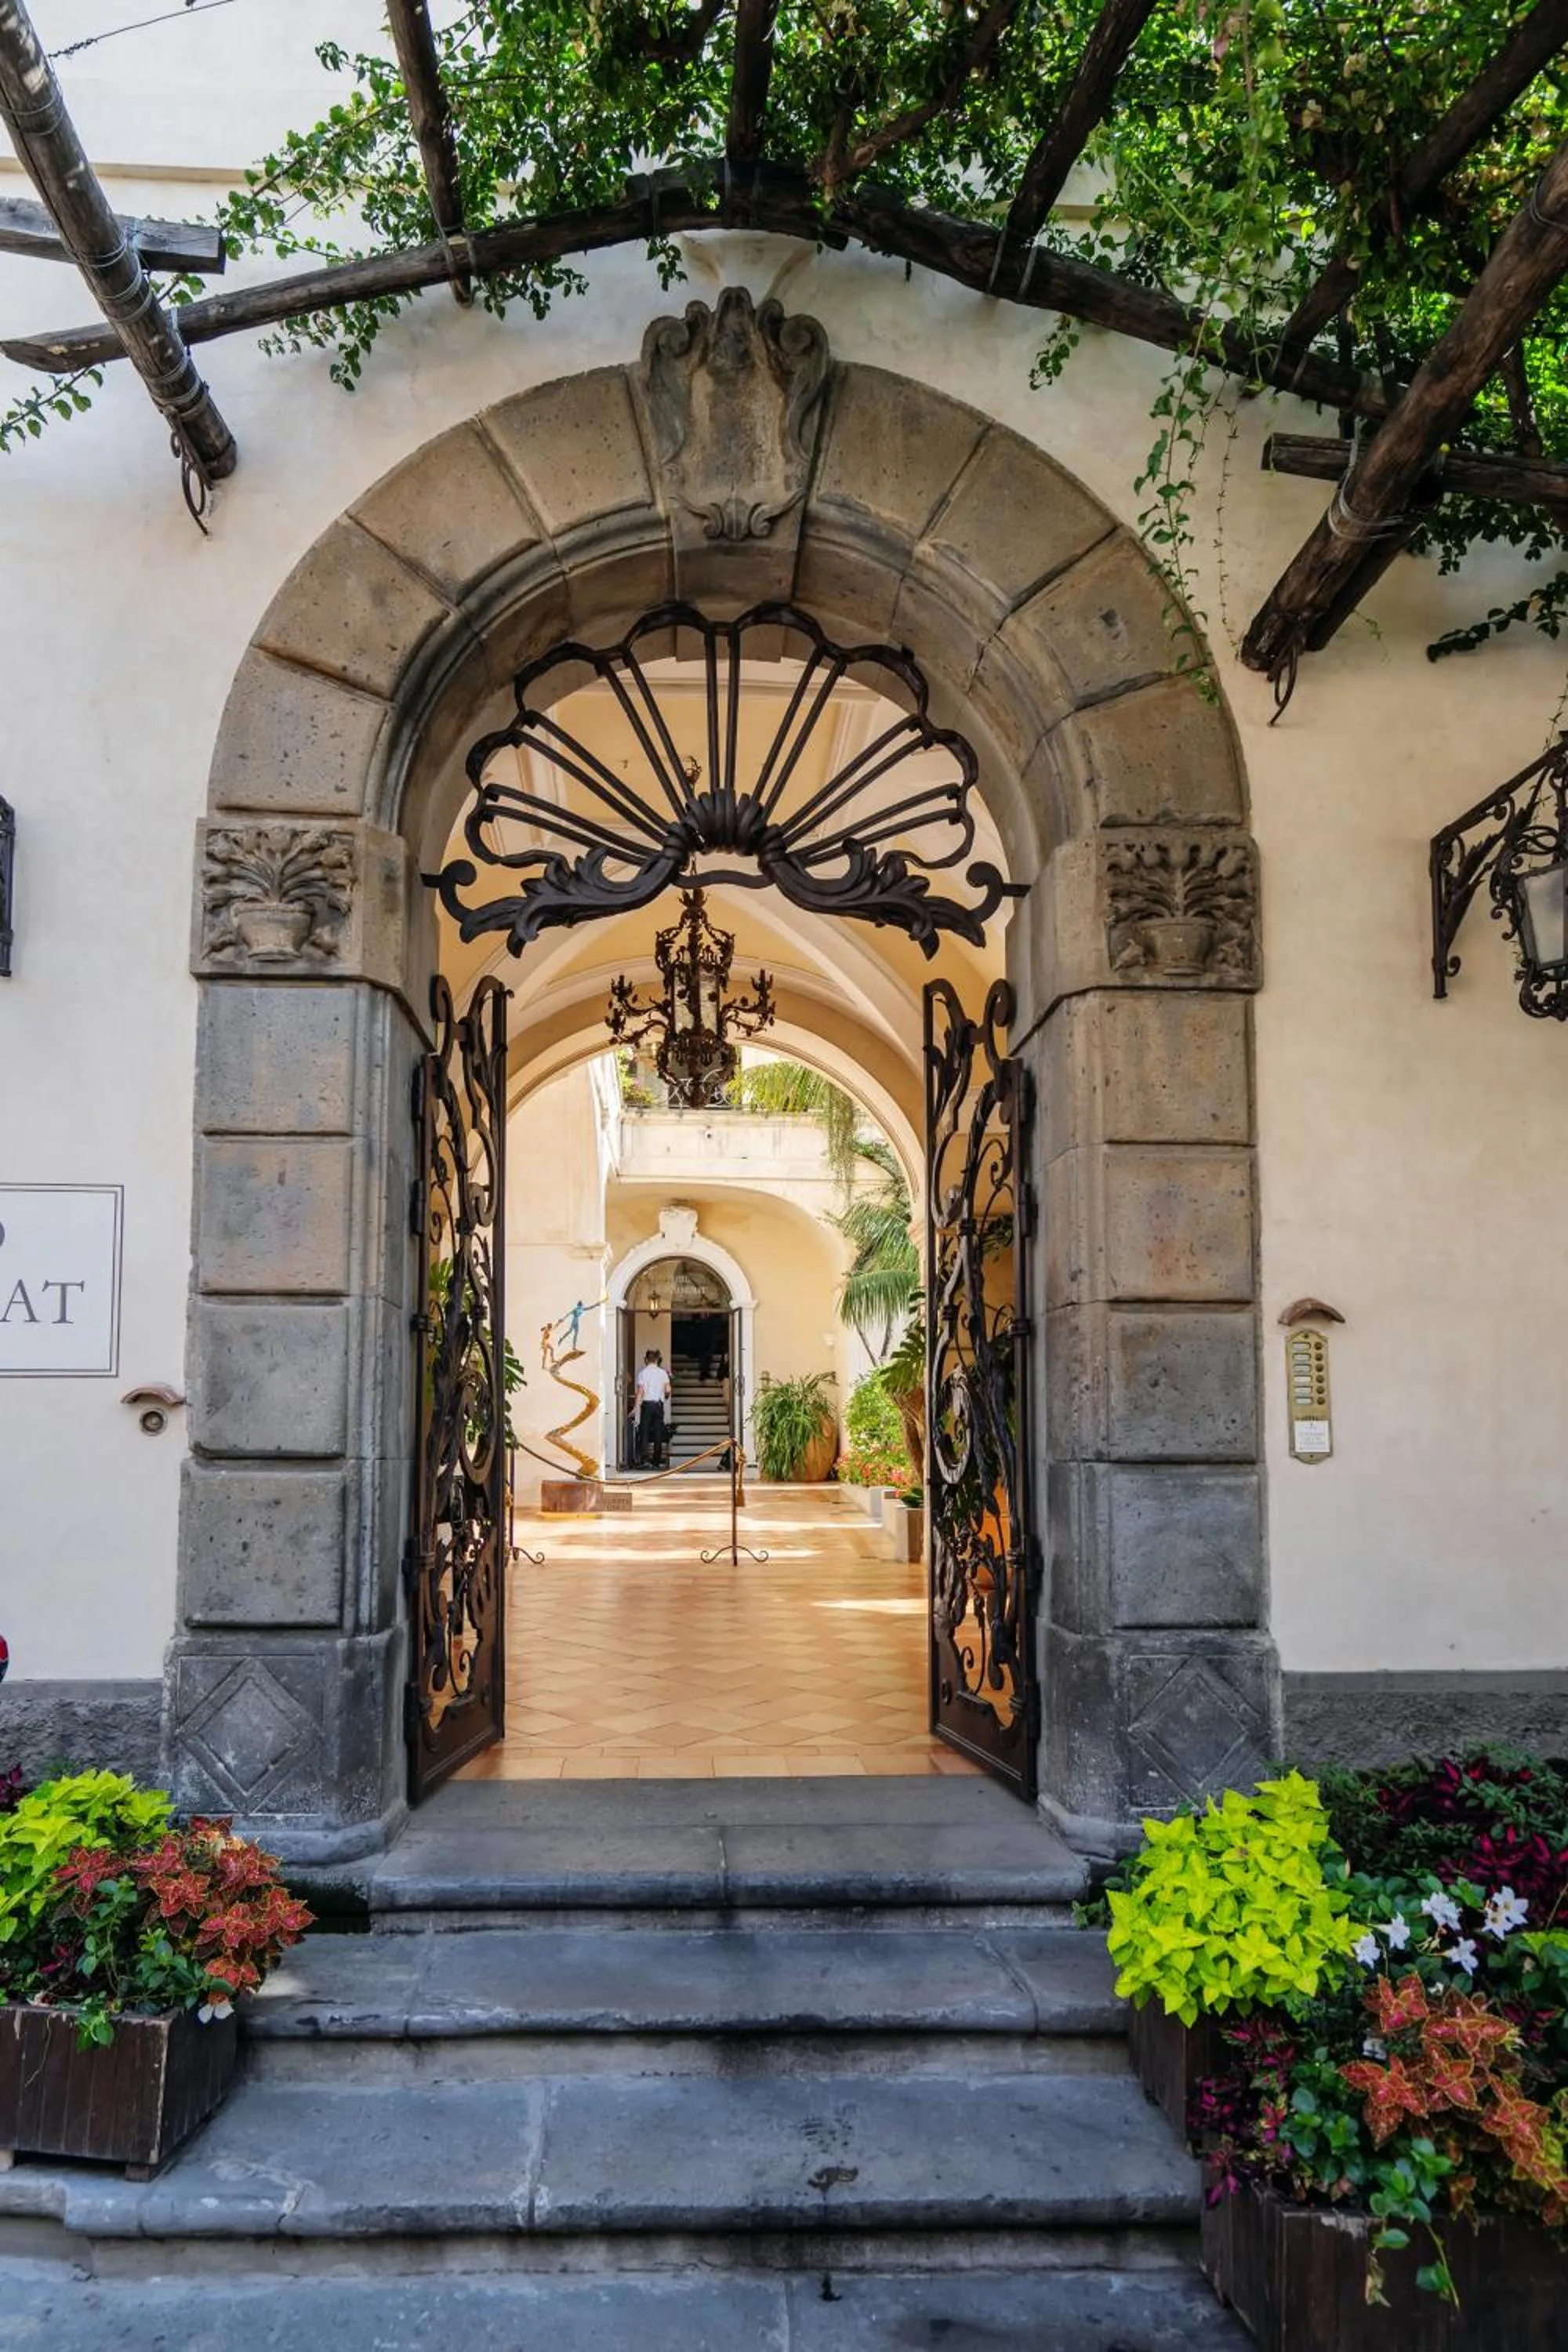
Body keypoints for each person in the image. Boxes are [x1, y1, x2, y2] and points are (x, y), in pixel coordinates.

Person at [634, 1348, 671, 1469]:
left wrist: (636, 1407)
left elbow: (640, 1391)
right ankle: (656, 1461)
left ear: (646, 1359)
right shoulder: (663, 1373)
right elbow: (667, 1390)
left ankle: (644, 1460)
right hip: (658, 1405)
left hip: (647, 1405)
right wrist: (665, 1396)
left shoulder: (643, 1373)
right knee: (658, 1432)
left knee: (644, 1432)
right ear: (657, 1360)